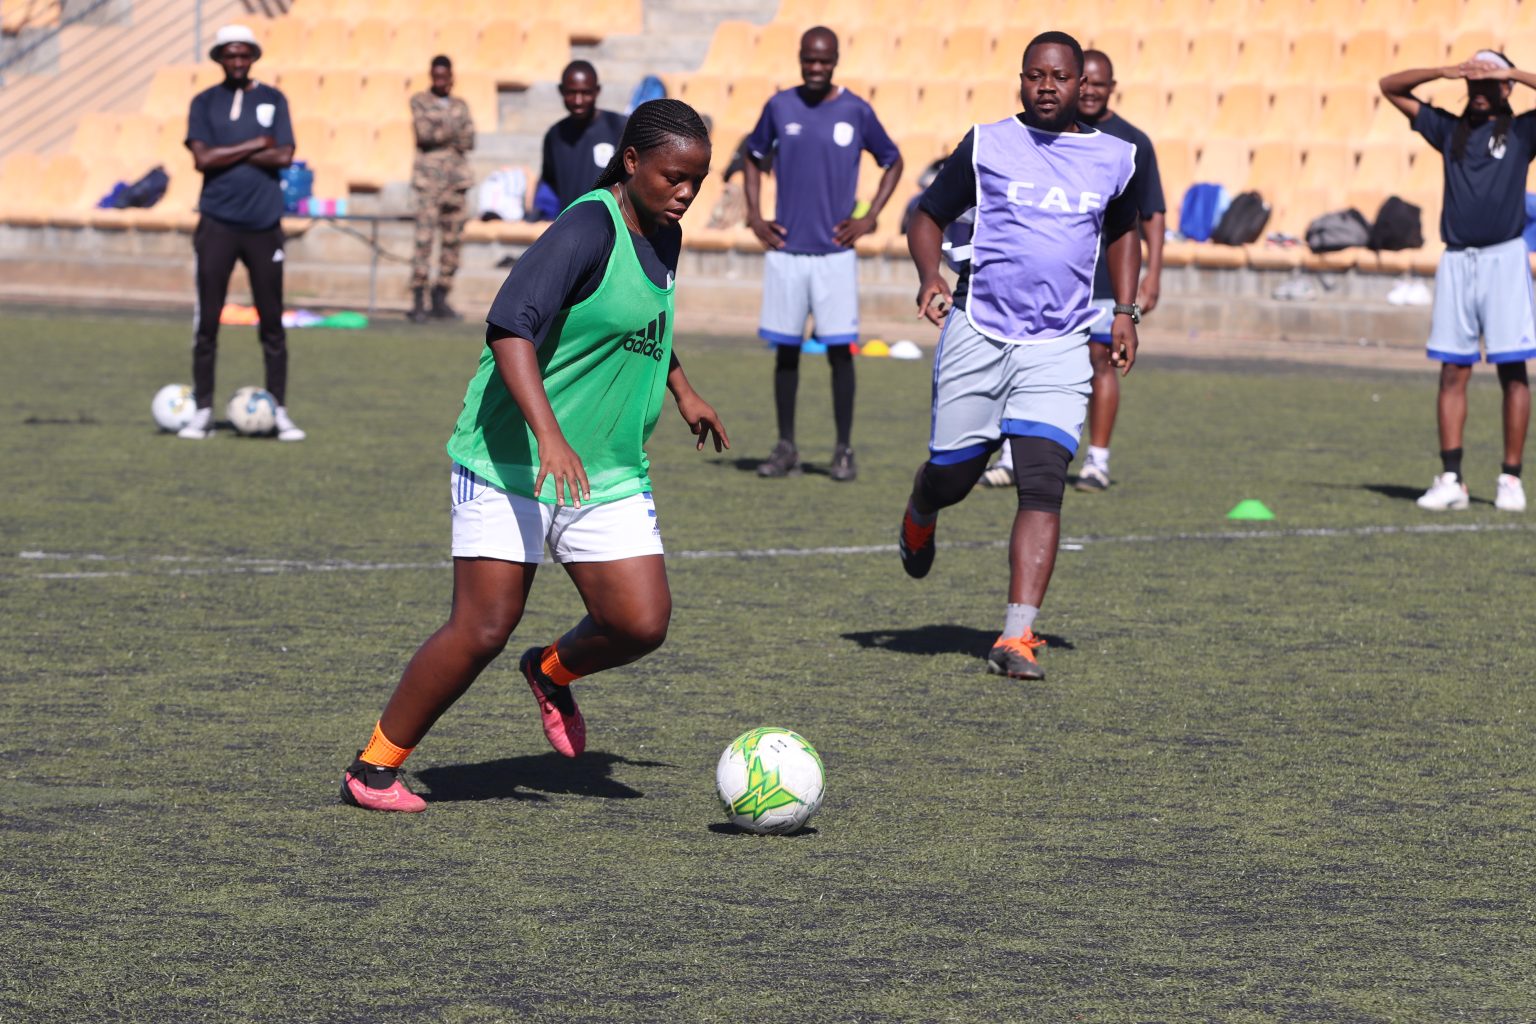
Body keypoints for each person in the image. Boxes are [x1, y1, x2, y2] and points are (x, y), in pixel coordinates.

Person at [341, 99, 728, 813]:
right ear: (633, 162)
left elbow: (640, 318)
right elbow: (508, 327)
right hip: (510, 455)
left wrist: (683, 390)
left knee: (640, 623)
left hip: (604, 466)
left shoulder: (664, 231)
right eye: (675, 177)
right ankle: (373, 767)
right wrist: (549, 434)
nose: (686, 193)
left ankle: (551, 672)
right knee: (483, 625)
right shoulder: (587, 226)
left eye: (697, 181)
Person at [899, 31, 1141, 681]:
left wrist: (1124, 309)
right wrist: (929, 276)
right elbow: (927, 215)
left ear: (1080, 82)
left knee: (1041, 481)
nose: (1047, 86)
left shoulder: (1117, 157)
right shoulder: (986, 143)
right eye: (1035, 75)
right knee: (954, 472)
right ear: (1021, 79)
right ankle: (922, 509)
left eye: (1059, 77)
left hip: (1060, 342)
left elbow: (1123, 229)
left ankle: (1016, 635)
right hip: (978, 328)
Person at [982, 48, 1164, 492]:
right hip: (1046, 277)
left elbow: (1151, 213)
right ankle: (1011, 452)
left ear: (1108, 88)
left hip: (1103, 278)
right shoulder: (1043, 135)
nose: (1092, 92)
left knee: (1102, 361)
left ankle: (1097, 460)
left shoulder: (1130, 143)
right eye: (1088, 83)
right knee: (1023, 355)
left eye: (1102, 84)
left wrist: (1152, 274)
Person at [744, 26, 904, 482]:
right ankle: (786, 445)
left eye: (824, 61)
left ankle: (843, 450)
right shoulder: (779, 106)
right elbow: (753, 158)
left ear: (835, 60)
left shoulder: (855, 109)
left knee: (840, 352)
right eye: (809, 60)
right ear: (800, 58)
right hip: (787, 250)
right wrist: (755, 216)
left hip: (835, 252)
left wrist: (870, 216)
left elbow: (893, 160)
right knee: (787, 352)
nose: (816, 68)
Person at [1382, 51, 1535, 513]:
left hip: (1505, 261)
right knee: (1453, 370)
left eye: (1491, 85)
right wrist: (1443, 71)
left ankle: (1510, 478)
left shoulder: (1524, 131)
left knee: (1513, 370)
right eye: (1475, 84)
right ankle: (1451, 478)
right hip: (1457, 262)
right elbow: (1390, 86)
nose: (1481, 93)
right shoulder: (1449, 131)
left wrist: (1508, 73)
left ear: (1506, 88)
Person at [180, 24, 303, 441]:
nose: (237, 61)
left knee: (271, 322)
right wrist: (254, 145)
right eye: (229, 55)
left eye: (243, 54)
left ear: (253, 56)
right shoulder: (204, 102)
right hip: (216, 223)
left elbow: (285, 153)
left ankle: (279, 408)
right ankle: (201, 410)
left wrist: (227, 154)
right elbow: (203, 158)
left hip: (263, 225)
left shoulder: (273, 98)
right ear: (219, 58)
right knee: (207, 323)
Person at [408, 55, 476, 324]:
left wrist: (441, 129)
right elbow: (423, 134)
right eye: (436, 76)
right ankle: (417, 297)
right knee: (424, 240)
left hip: (456, 181)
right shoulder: (419, 101)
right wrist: (452, 131)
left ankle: (440, 295)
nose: (441, 81)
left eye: (444, 76)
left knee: (452, 240)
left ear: (451, 76)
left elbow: (470, 139)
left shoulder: (461, 104)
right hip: (429, 182)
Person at [540, 61, 628, 214]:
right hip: (571, 228)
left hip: (612, 227)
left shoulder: (619, 127)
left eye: (585, 93)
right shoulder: (555, 135)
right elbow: (549, 186)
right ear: (561, 91)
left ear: (597, 91)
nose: (578, 100)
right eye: (571, 93)